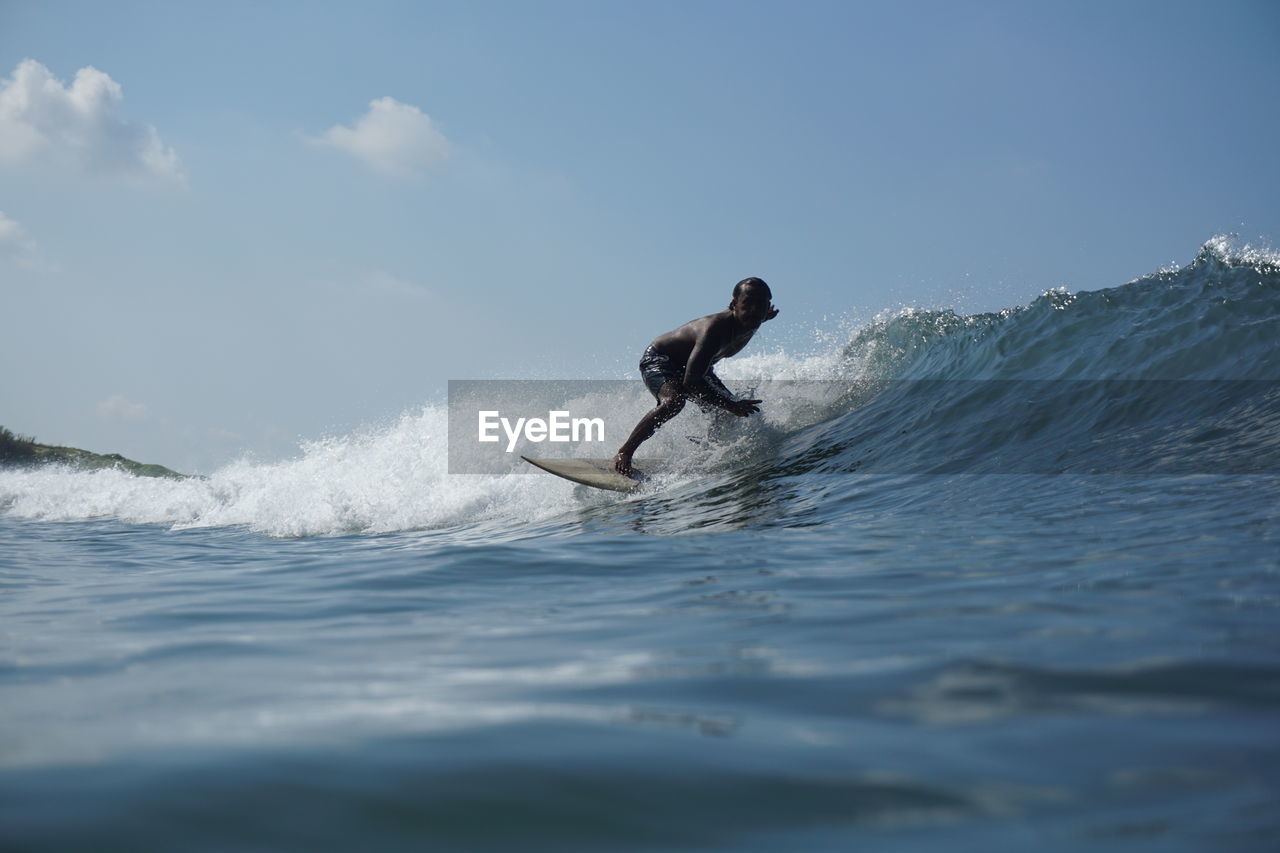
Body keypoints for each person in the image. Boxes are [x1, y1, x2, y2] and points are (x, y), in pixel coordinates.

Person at [613, 277, 779, 477]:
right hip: (662, 360)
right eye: (747, 304)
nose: (753, 310)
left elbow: (696, 374)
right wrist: (731, 405)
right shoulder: (715, 330)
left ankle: (710, 453)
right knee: (674, 401)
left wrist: (729, 406)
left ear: (768, 307)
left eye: (760, 306)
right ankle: (624, 452)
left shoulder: (755, 318)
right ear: (734, 304)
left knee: (725, 412)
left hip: (698, 367)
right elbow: (691, 382)